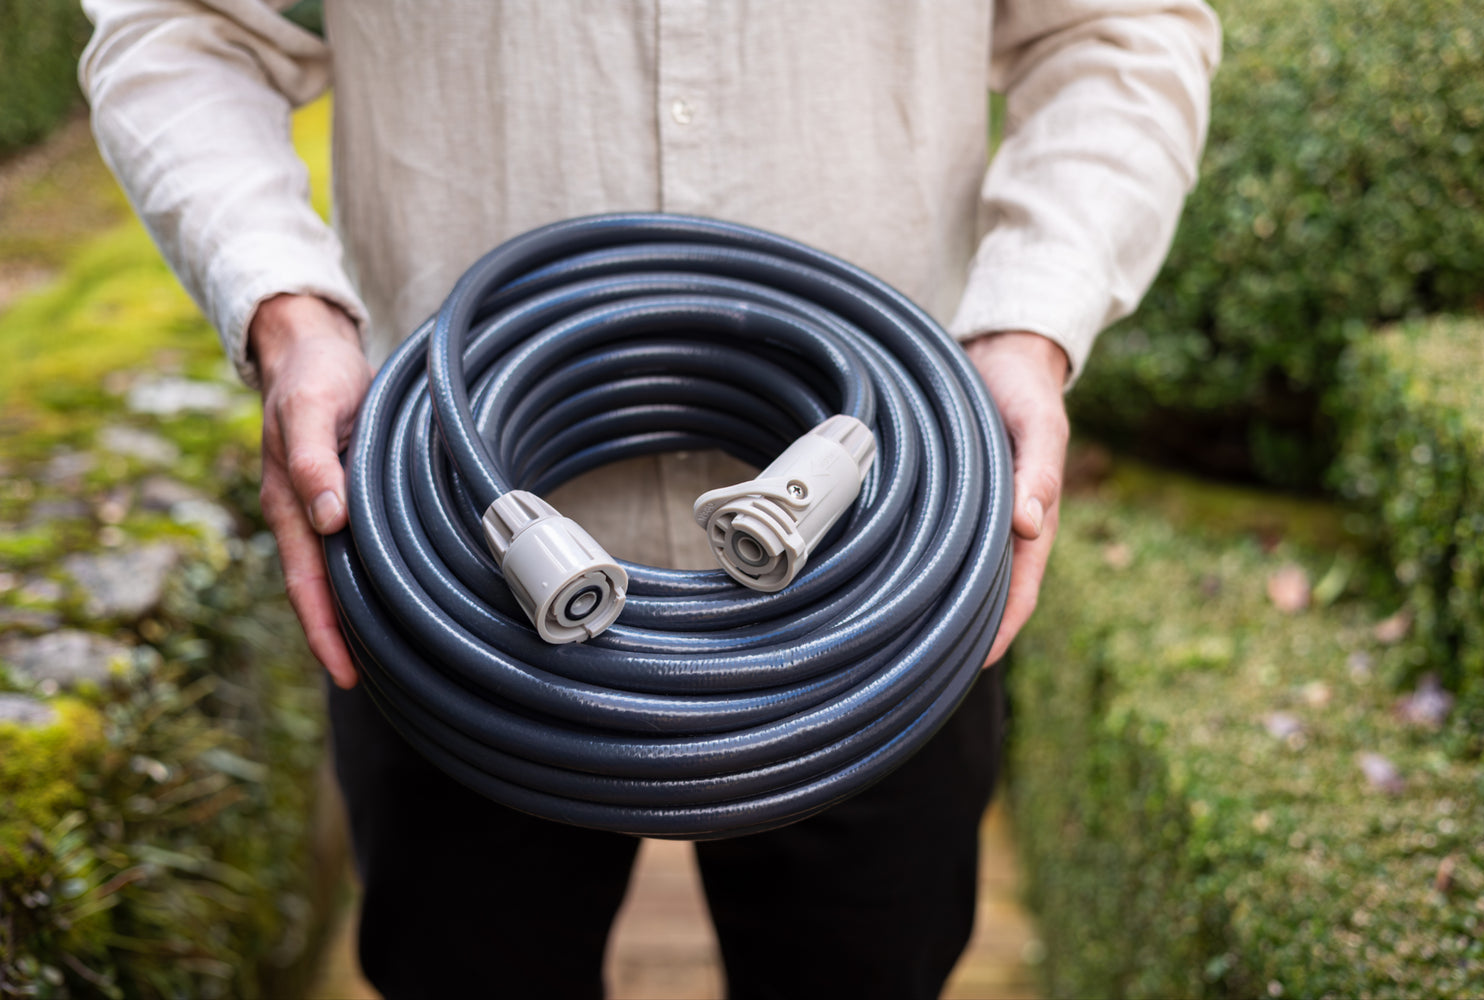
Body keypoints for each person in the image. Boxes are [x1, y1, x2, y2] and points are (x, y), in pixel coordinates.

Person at [80, 2, 1219, 996]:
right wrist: (287, 311)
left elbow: (1119, 29)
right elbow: (178, 23)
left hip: (884, 609)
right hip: (452, 613)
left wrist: (1029, 325)